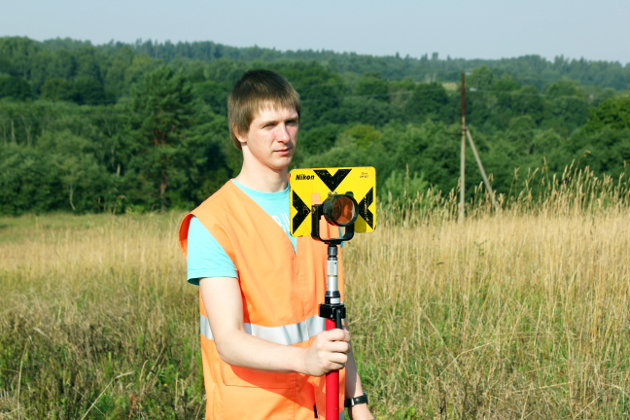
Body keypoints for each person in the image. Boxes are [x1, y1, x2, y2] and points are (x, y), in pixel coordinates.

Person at [178, 69, 374, 420]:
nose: (284, 136)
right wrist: (305, 360)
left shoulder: (322, 206)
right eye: (269, 126)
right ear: (240, 132)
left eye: (291, 122)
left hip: (323, 408)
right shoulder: (212, 222)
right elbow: (229, 340)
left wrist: (358, 405)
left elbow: (333, 324)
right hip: (255, 411)